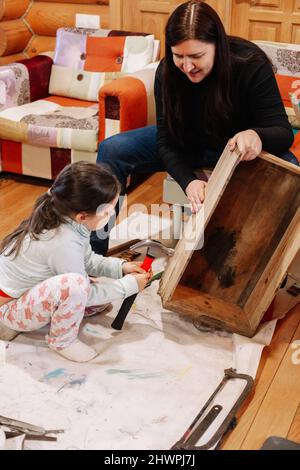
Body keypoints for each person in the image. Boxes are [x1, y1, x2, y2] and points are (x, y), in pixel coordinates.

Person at [90, 0, 298, 255]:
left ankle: (269, 261)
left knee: (292, 172)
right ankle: (91, 257)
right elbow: (165, 140)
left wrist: (257, 135)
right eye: (179, 56)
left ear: (217, 46)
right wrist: (188, 182)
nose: (187, 67)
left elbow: (283, 132)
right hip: (187, 145)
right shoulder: (167, 71)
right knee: (113, 149)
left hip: (239, 154)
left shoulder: (250, 63)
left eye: (197, 56)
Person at [0, 161, 151, 363]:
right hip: (9, 308)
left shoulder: (68, 220)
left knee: (92, 288)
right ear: (82, 216)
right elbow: (82, 291)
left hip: (25, 292)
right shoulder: (62, 241)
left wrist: (120, 267)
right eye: (107, 212)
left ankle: (57, 313)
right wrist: (127, 287)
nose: (111, 215)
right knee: (78, 286)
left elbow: (86, 258)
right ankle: (62, 341)